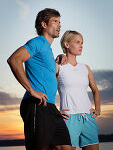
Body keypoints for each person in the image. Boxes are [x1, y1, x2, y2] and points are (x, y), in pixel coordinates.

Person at [7, 8, 73, 150]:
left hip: (49, 107)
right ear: (44, 24)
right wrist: (31, 90)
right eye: (55, 21)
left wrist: (61, 57)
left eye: (60, 22)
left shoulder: (48, 50)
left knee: (66, 147)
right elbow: (14, 60)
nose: (59, 25)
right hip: (36, 104)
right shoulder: (38, 42)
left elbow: (50, 73)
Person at [56, 30, 101, 150]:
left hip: (88, 118)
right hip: (68, 119)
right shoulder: (58, 66)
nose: (81, 46)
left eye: (82, 42)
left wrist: (98, 108)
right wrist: (54, 112)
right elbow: (47, 90)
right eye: (77, 42)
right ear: (66, 44)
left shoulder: (85, 68)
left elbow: (95, 90)